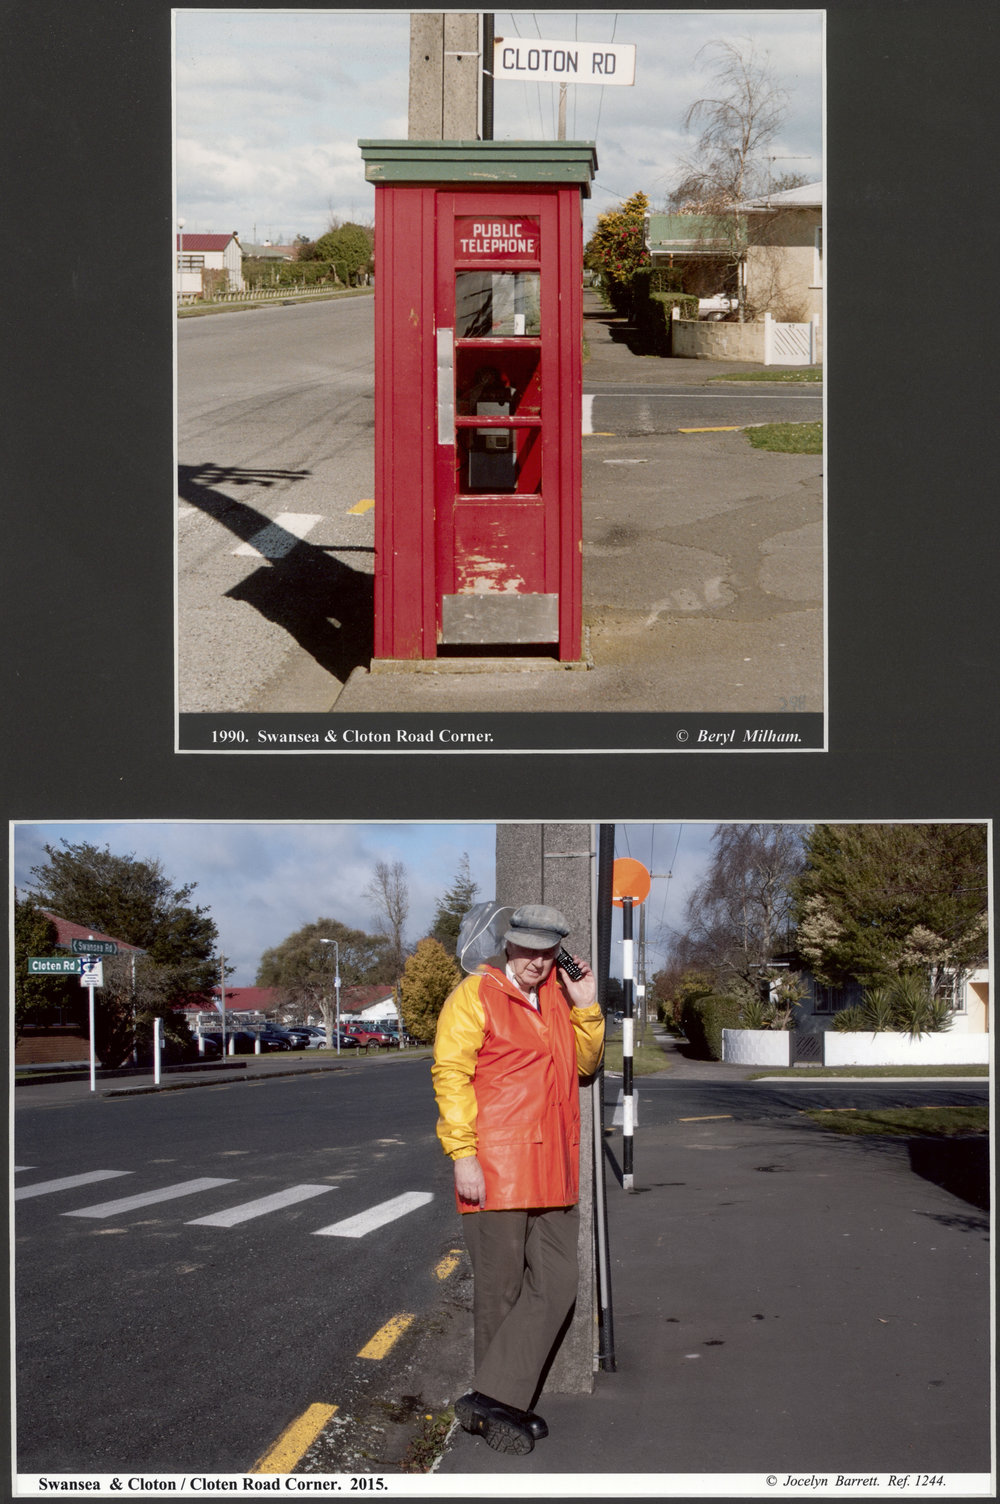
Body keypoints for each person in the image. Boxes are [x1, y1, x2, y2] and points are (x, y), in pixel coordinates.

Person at [432, 903, 605, 1455]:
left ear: (560, 951)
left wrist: (587, 1006)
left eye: (547, 950)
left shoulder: (559, 995)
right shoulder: (473, 995)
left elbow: (584, 1066)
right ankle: (500, 1409)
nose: (536, 960)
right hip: (497, 1167)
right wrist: (463, 1155)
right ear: (508, 943)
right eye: (527, 948)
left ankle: (486, 1398)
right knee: (499, 1292)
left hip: (553, 1166)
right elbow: (451, 1075)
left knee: (557, 1284)